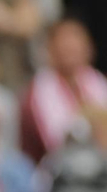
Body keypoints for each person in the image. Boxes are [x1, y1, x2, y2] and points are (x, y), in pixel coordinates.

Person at [24, 17, 107, 157]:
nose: (70, 48)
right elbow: (52, 142)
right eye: (64, 45)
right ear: (50, 49)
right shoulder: (38, 89)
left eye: (75, 43)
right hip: (57, 169)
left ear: (89, 48)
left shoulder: (97, 81)